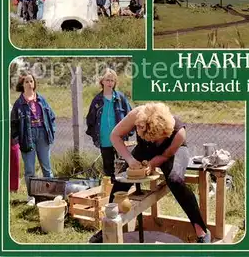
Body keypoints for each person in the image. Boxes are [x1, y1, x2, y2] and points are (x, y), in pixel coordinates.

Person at [89, 102, 211, 243]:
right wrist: (130, 159)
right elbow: (115, 136)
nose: (153, 140)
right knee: (121, 180)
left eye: (155, 138)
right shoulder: (137, 115)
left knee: (175, 180)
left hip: (171, 151)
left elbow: (165, 156)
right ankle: (107, 228)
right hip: (144, 148)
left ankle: (201, 231)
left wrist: (152, 163)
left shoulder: (179, 133)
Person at [10, 73, 56, 206]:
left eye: (31, 81)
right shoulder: (19, 103)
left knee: (46, 167)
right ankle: (32, 197)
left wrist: (51, 132)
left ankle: (51, 194)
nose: (29, 84)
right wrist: (18, 139)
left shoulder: (41, 100)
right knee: (30, 169)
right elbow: (14, 124)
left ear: (34, 83)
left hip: (42, 134)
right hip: (27, 137)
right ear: (22, 85)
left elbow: (51, 117)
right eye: (26, 82)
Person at [86, 69, 133, 181]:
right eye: (107, 80)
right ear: (102, 81)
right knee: (108, 167)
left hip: (120, 137)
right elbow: (90, 120)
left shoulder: (120, 98)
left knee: (125, 164)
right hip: (104, 138)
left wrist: (128, 133)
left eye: (112, 80)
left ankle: (124, 188)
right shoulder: (97, 100)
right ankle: (110, 189)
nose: (110, 83)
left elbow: (130, 115)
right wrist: (94, 135)